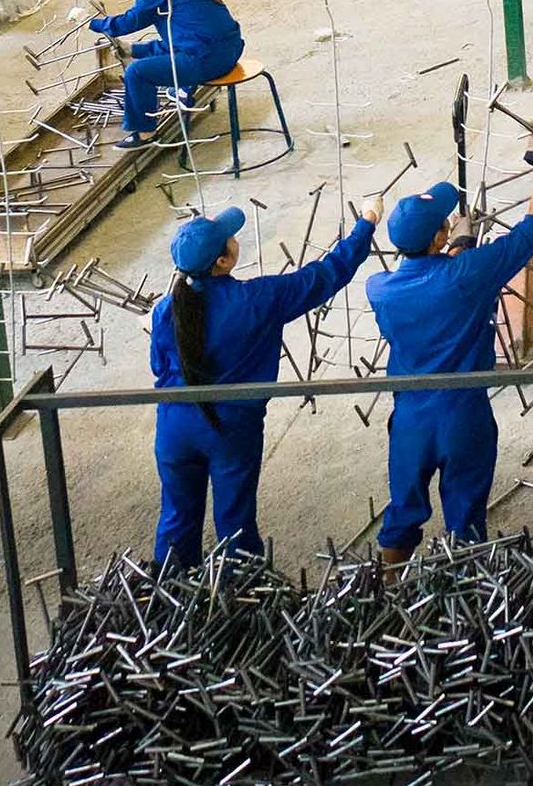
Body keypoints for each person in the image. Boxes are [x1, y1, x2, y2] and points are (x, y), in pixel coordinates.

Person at [149, 202, 376, 571]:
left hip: (174, 425)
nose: (235, 240)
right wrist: (365, 226)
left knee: (176, 517)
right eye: (229, 239)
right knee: (235, 524)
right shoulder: (258, 299)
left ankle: (169, 600)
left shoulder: (166, 309)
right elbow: (326, 274)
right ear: (222, 262)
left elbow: (158, 367)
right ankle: (238, 604)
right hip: (230, 427)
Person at [367, 181, 533, 562]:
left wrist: (450, 255)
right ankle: (467, 594)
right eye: (445, 222)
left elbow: (427, 285)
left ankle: (388, 597)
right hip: (462, 413)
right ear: (438, 236)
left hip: (410, 418)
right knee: (466, 520)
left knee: (402, 512)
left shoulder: (379, 288)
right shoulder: (469, 273)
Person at [89, 0, 244, 144]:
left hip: (207, 62)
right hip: (228, 52)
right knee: (154, 59)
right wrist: (133, 49)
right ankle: (183, 89)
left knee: (137, 72)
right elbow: (181, 40)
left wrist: (93, 23)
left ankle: (145, 133)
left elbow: (130, 21)